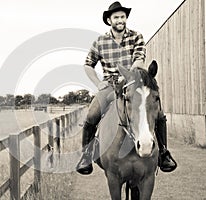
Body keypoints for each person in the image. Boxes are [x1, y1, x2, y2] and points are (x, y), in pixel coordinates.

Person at [76, 1, 177, 175]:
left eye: (123, 16)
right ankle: (86, 155)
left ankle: (164, 153)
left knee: (159, 113)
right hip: (110, 86)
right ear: (109, 20)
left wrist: (128, 76)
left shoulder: (136, 36)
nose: (120, 20)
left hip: (133, 83)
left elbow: (139, 59)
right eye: (116, 17)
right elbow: (87, 65)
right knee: (92, 114)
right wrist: (98, 83)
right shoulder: (100, 42)